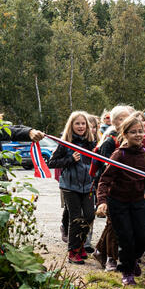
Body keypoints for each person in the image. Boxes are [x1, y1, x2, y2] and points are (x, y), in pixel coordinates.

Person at [96, 114, 145, 286]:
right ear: (125, 134)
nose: (138, 135)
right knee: (125, 238)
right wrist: (102, 201)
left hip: (137, 202)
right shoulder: (119, 155)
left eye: (141, 131)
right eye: (133, 132)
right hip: (118, 202)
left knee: (143, 236)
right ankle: (127, 271)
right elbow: (105, 179)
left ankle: (131, 261)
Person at [48, 110, 97, 265]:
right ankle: (73, 251)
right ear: (71, 125)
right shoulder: (65, 143)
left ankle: (81, 244)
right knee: (75, 218)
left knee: (89, 216)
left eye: (83, 123)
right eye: (77, 123)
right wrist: (70, 159)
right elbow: (52, 162)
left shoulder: (93, 143)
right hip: (70, 186)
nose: (81, 126)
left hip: (88, 185)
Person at [91, 104, 134, 272]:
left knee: (115, 224)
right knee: (113, 223)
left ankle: (100, 250)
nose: (126, 121)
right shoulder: (110, 141)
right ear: (114, 122)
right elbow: (105, 168)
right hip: (111, 188)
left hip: (127, 189)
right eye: (122, 119)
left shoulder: (131, 140)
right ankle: (111, 257)